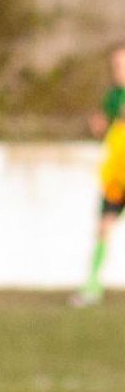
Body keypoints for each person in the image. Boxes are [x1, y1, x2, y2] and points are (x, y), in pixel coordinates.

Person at [73, 43, 125, 307]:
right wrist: (99, 127)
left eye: (120, 64)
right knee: (104, 226)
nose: (116, 70)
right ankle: (92, 285)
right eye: (114, 65)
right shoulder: (114, 97)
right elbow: (109, 131)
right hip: (118, 175)